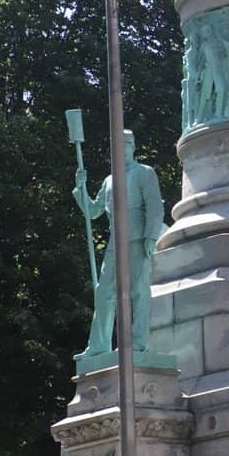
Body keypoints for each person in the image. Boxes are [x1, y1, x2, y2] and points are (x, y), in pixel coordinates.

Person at [73, 130, 164, 358]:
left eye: (125, 144)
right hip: (116, 241)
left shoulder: (144, 173)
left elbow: (155, 207)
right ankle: (99, 346)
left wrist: (151, 237)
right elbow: (93, 211)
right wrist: (80, 188)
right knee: (104, 293)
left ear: (132, 146)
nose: (121, 149)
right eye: (117, 145)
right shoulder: (109, 180)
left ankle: (138, 343)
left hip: (137, 237)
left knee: (138, 292)